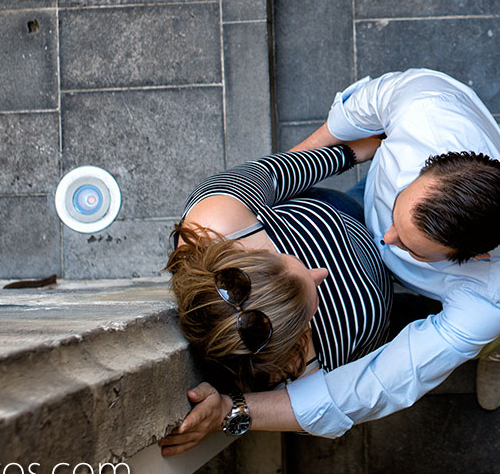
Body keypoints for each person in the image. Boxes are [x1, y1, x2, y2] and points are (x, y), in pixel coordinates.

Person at [160, 68, 500, 451]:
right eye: (397, 214)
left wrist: (347, 154)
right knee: (488, 160)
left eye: (412, 248)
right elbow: (373, 385)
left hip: (469, 281)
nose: (387, 239)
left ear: (475, 256)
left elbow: (381, 383)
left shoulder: (495, 294)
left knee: (494, 327)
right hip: (358, 215)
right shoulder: (422, 101)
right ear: (428, 165)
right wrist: (344, 148)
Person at [160, 142, 393, 450]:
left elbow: (278, 173)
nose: (321, 272)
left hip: (349, 214)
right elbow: (336, 405)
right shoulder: (292, 380)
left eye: (286, 259)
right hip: (388, 308)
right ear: (284, 350)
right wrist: (230, 410)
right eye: (313, 309)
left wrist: (349, 152)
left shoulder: (219, 221)